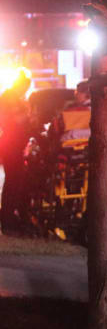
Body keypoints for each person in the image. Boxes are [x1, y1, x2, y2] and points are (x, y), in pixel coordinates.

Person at [0, 73, 36, 234]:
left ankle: (10, 216)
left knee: (16, 181)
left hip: (15, 144)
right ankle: (8, 218)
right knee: (13, 181)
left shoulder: (15, 97)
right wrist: (29, 117)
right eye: (25, 88)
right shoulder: (9, 97)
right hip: (11, 144)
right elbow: (13, 120)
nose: (25, 91)